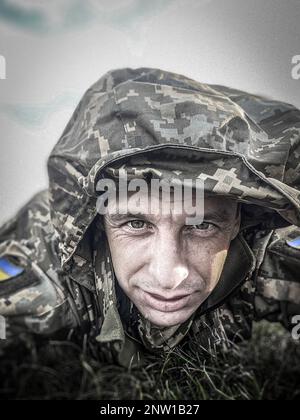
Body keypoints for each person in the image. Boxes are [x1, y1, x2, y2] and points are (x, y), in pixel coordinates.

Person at [0, 67, 299, 367]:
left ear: (237, 220)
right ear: (100, 221)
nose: (168, 277)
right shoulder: (44, 256)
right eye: (136, 223)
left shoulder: (265, 243)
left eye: (201, 225)